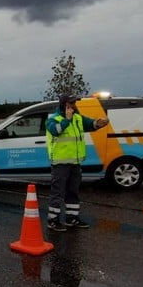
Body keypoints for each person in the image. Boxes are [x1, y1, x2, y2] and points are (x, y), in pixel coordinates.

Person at [45, 94, 108, 231]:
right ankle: (53, 220)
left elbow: (90, 124)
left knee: (73, 191)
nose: (73, 105)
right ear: (63, 104)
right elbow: (55, 131)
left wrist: (98, 123)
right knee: (58, 192)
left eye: (74, 103)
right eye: (71, 103)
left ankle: (72, 218)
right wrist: (66, 120)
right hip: (60, 163)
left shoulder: (77, 118)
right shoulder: (53, 119)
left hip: (75, 162)